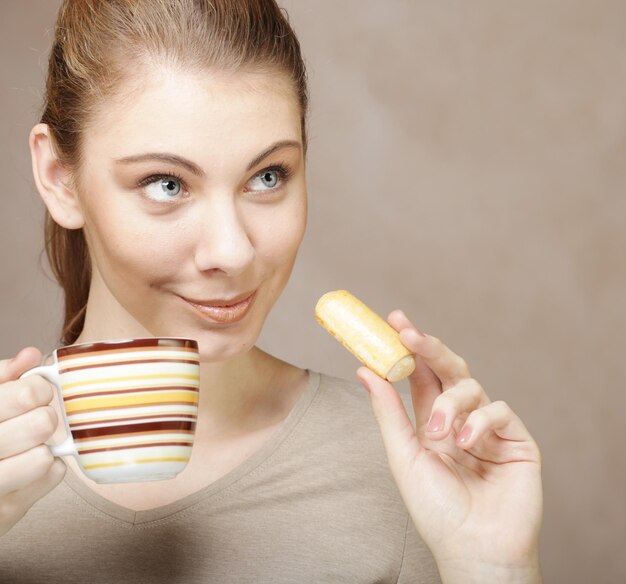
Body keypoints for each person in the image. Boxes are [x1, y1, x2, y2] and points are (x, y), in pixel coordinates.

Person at [0, 0, 543, 582]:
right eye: (166, 183)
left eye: (267, 177)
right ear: (61, 179)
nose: (233, 251)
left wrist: (489, 564)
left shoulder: (411, 469)